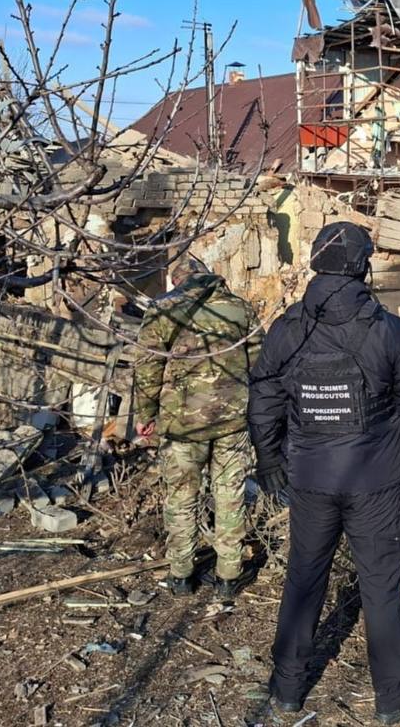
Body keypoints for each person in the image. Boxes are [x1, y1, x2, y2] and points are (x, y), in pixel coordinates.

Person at [248, 222, 400, 726]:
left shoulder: (287, 328)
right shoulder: (390, 330)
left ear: (316, 263)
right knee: (380, 585)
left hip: (309, 476)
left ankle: (287, 690)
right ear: (363, 266)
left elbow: (264, 397)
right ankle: (393, 697)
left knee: (304, 578)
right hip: (374, 479)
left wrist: (268, 457)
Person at [133, 257, 263, 599]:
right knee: (229, 496)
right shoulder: (239, 308)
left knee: (181, 497)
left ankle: (181, 575)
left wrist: (145, 413)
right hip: (232, 421)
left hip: (182, 425)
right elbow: (260, 362)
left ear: (175, 280)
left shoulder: (162, 309)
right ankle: (228, 576)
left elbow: (148, 367)